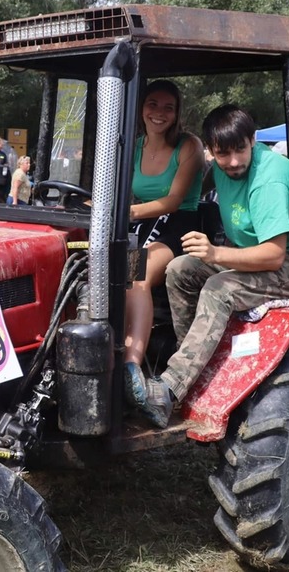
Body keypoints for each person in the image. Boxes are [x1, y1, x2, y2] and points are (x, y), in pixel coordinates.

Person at [139, 105, 289, 427]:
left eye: (240, 149)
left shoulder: (268, 178)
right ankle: (190, 365)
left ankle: (171, 387)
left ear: (253, 140)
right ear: (210, 152)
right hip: (244, 253)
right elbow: (186, 194)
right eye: (223, 154)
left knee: (217, 287)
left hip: (285, 265)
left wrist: (214, 253)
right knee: (180, 268)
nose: (234, 162)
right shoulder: (220, 169)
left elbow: (274, 255)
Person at [121, 81, 204, 415]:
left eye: (168, 107)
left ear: (178, 112)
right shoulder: (134, 146)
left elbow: (173, 200)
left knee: (136, 275)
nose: (159, 113)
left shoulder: (190, 146)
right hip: (140, 224)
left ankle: (131, 366)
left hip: (181, 225)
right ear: (141, 108)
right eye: (152, 104)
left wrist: (127, 212)